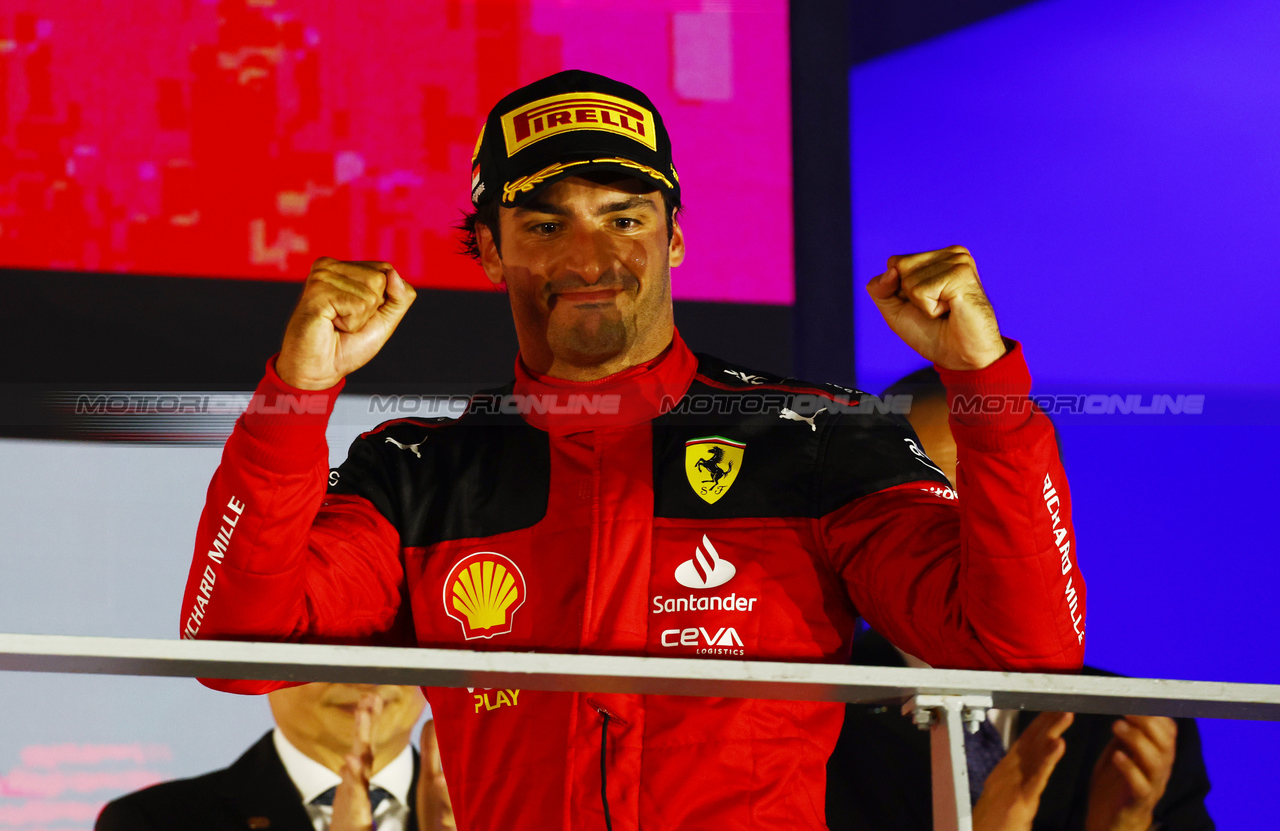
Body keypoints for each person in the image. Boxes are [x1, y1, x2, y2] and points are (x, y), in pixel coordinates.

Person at [179, 69, 1086, 829]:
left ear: (676, 235)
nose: (589, 256)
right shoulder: (420, 470)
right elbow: (235, 646)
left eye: (623, 217)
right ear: (489, 250)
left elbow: (1023, 651)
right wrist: (294, 398)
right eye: (543, 225)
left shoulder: (816, 440)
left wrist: (985, 386)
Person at [825, 367, 1212, 831]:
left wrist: (1126, 826)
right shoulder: (810, 715)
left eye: (992, 499)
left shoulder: (1128, 729)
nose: (966, 527)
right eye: (927, 497)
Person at [94, 683, 454, 830]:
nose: (363, 675)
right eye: (327, 644)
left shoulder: (491, 815)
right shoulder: (157, 823)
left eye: (389, 643)